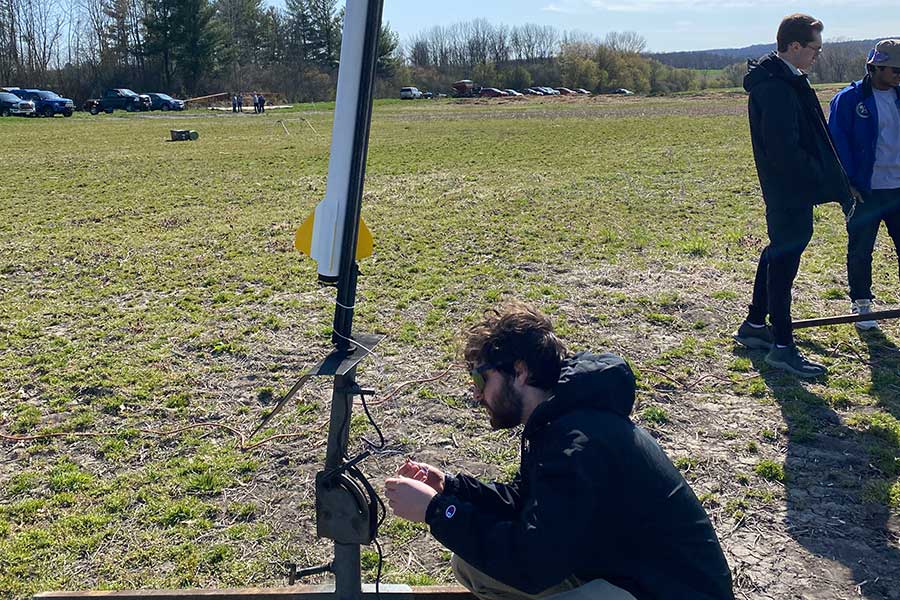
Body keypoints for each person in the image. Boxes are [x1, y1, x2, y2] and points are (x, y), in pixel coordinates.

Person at [385, 302, 734, 600]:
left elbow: (533, 564)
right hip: (626, 573)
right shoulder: (560, 419)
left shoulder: (576, 442)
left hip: (665, 591)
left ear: (519, 372)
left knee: (492, 563)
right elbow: (529, 506)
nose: (477, 395)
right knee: (473, 565)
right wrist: (451, 487)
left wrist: (435, 511)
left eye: (481, 380)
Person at [733, 13, 856, 377]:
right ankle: (783, 348)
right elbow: (784, 149)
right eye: (814, 49)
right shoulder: (775, 88)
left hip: (794, 188)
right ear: (794, 46)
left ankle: (755, 326)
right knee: (785, 260)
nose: (817, 55)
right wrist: (820, 180)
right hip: (790, 190)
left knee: (778, 252)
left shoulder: (787, 80)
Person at [828, 39, 900, 330]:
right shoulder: (848, 100)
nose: (899, 75)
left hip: (898, 189)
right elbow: (836, 144)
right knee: (860, 249)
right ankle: (862, 304)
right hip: (865, 191)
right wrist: (848, 183)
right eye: (895, 70)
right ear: (874, 67)